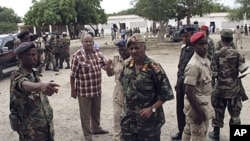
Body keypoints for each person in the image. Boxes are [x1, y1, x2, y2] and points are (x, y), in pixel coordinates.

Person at [119, 33, 174, 141]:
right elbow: (124, 87)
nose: (134, 51)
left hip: (149, 123)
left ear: (144, 48)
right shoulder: (127, 67)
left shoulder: (154, 68)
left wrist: (151, 109)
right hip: (129, 121)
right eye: (131, 48)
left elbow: (166, 94)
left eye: (137, 48)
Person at [9, 42, 60, 141]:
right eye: (31, 55)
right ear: (20, 57)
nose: (35, 58)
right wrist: (39, 86)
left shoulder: (34, 72)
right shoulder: (16, 74)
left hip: (45, 129)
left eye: (35, 54)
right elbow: (23, 84)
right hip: (30, 132)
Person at [208, 29, 249, 141]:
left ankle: (216, 135)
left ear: (222, 39)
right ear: (232, 40)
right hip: (234, 90)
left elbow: (214, 74)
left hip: (220, 90)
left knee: (217, 113)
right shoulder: (238, 54)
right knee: (235, 115)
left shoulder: (216, 55)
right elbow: (244, 70)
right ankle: (238, 137)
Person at [70, 34, 109, 141]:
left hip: (96, 89)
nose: (88, 43)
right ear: (82, 42)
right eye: (86, 42)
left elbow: (106, 68)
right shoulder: (77, 56)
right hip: (84, 92)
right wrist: (73, 90)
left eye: (90, 41)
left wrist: (110, 66)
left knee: (96, 111)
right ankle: (88, 136)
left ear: (93, 42)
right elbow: (72, 75)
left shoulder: (98, 53)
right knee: (85, 115)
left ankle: (96, 128)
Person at [181, 32, 215, 141]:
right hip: (198, 108)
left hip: (203, 105)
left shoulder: (205, 61)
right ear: (194, 46)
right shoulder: (194, 65)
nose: (204, 47)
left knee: (188, 133)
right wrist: (199, 113)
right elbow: (189, 92)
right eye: (201, 44)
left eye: (205, 43)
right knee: (199, 136)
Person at [171, 27, 196, 140]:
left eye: (187, 36)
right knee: (180, 107)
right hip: (181, 81)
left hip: (190, 82)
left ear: (192, 35)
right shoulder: (184, 49)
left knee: (190, 108)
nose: (184, 38)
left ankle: (191, 132)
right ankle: (181, 131)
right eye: (183, 36)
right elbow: (180, 67)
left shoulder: (197, 49)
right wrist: (177, 82)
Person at [106, 39, 130, 141]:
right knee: (117, 120)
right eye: (120, 50)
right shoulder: (116, 59)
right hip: (118, 92)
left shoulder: (135, 59)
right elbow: (110, 74)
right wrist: (108, 67)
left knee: (130, 121)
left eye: (124, 50)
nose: (122, 52)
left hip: (131, 93)